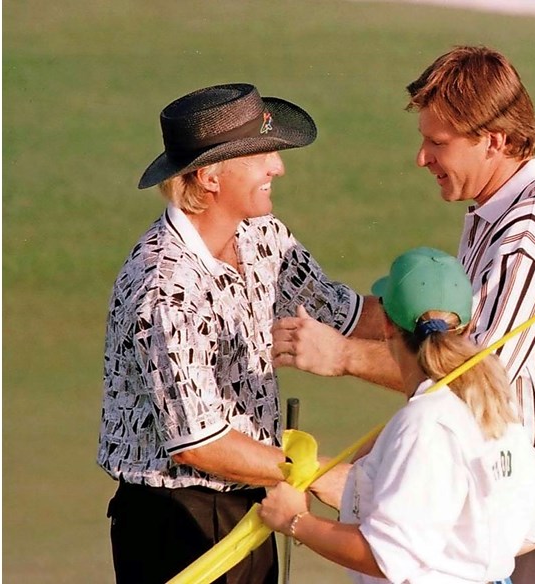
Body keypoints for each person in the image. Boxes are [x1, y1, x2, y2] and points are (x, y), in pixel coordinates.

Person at [272, 46, 535, 583]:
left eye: (438, 142)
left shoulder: (528, 237)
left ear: (493, 141)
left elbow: (471, 377)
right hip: (484, 492)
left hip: (520, 508)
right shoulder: (495, 211)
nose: (422, 157)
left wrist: (340, 356)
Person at [96, 83, 375, 584]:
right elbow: (198, 444)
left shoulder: (263, 236)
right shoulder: (164, 286)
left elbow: (348, 315)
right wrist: (318, 474)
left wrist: (441, 326)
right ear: (209, 176)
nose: (278, 167)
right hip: (177, 525)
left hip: (251, 501)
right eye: (260, 155)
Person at [260, 247, 535, 584]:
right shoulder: (494, 406)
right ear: (468, 325)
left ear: (387, 325)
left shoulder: (425, 423)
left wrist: (294, 520)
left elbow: (389, 556)